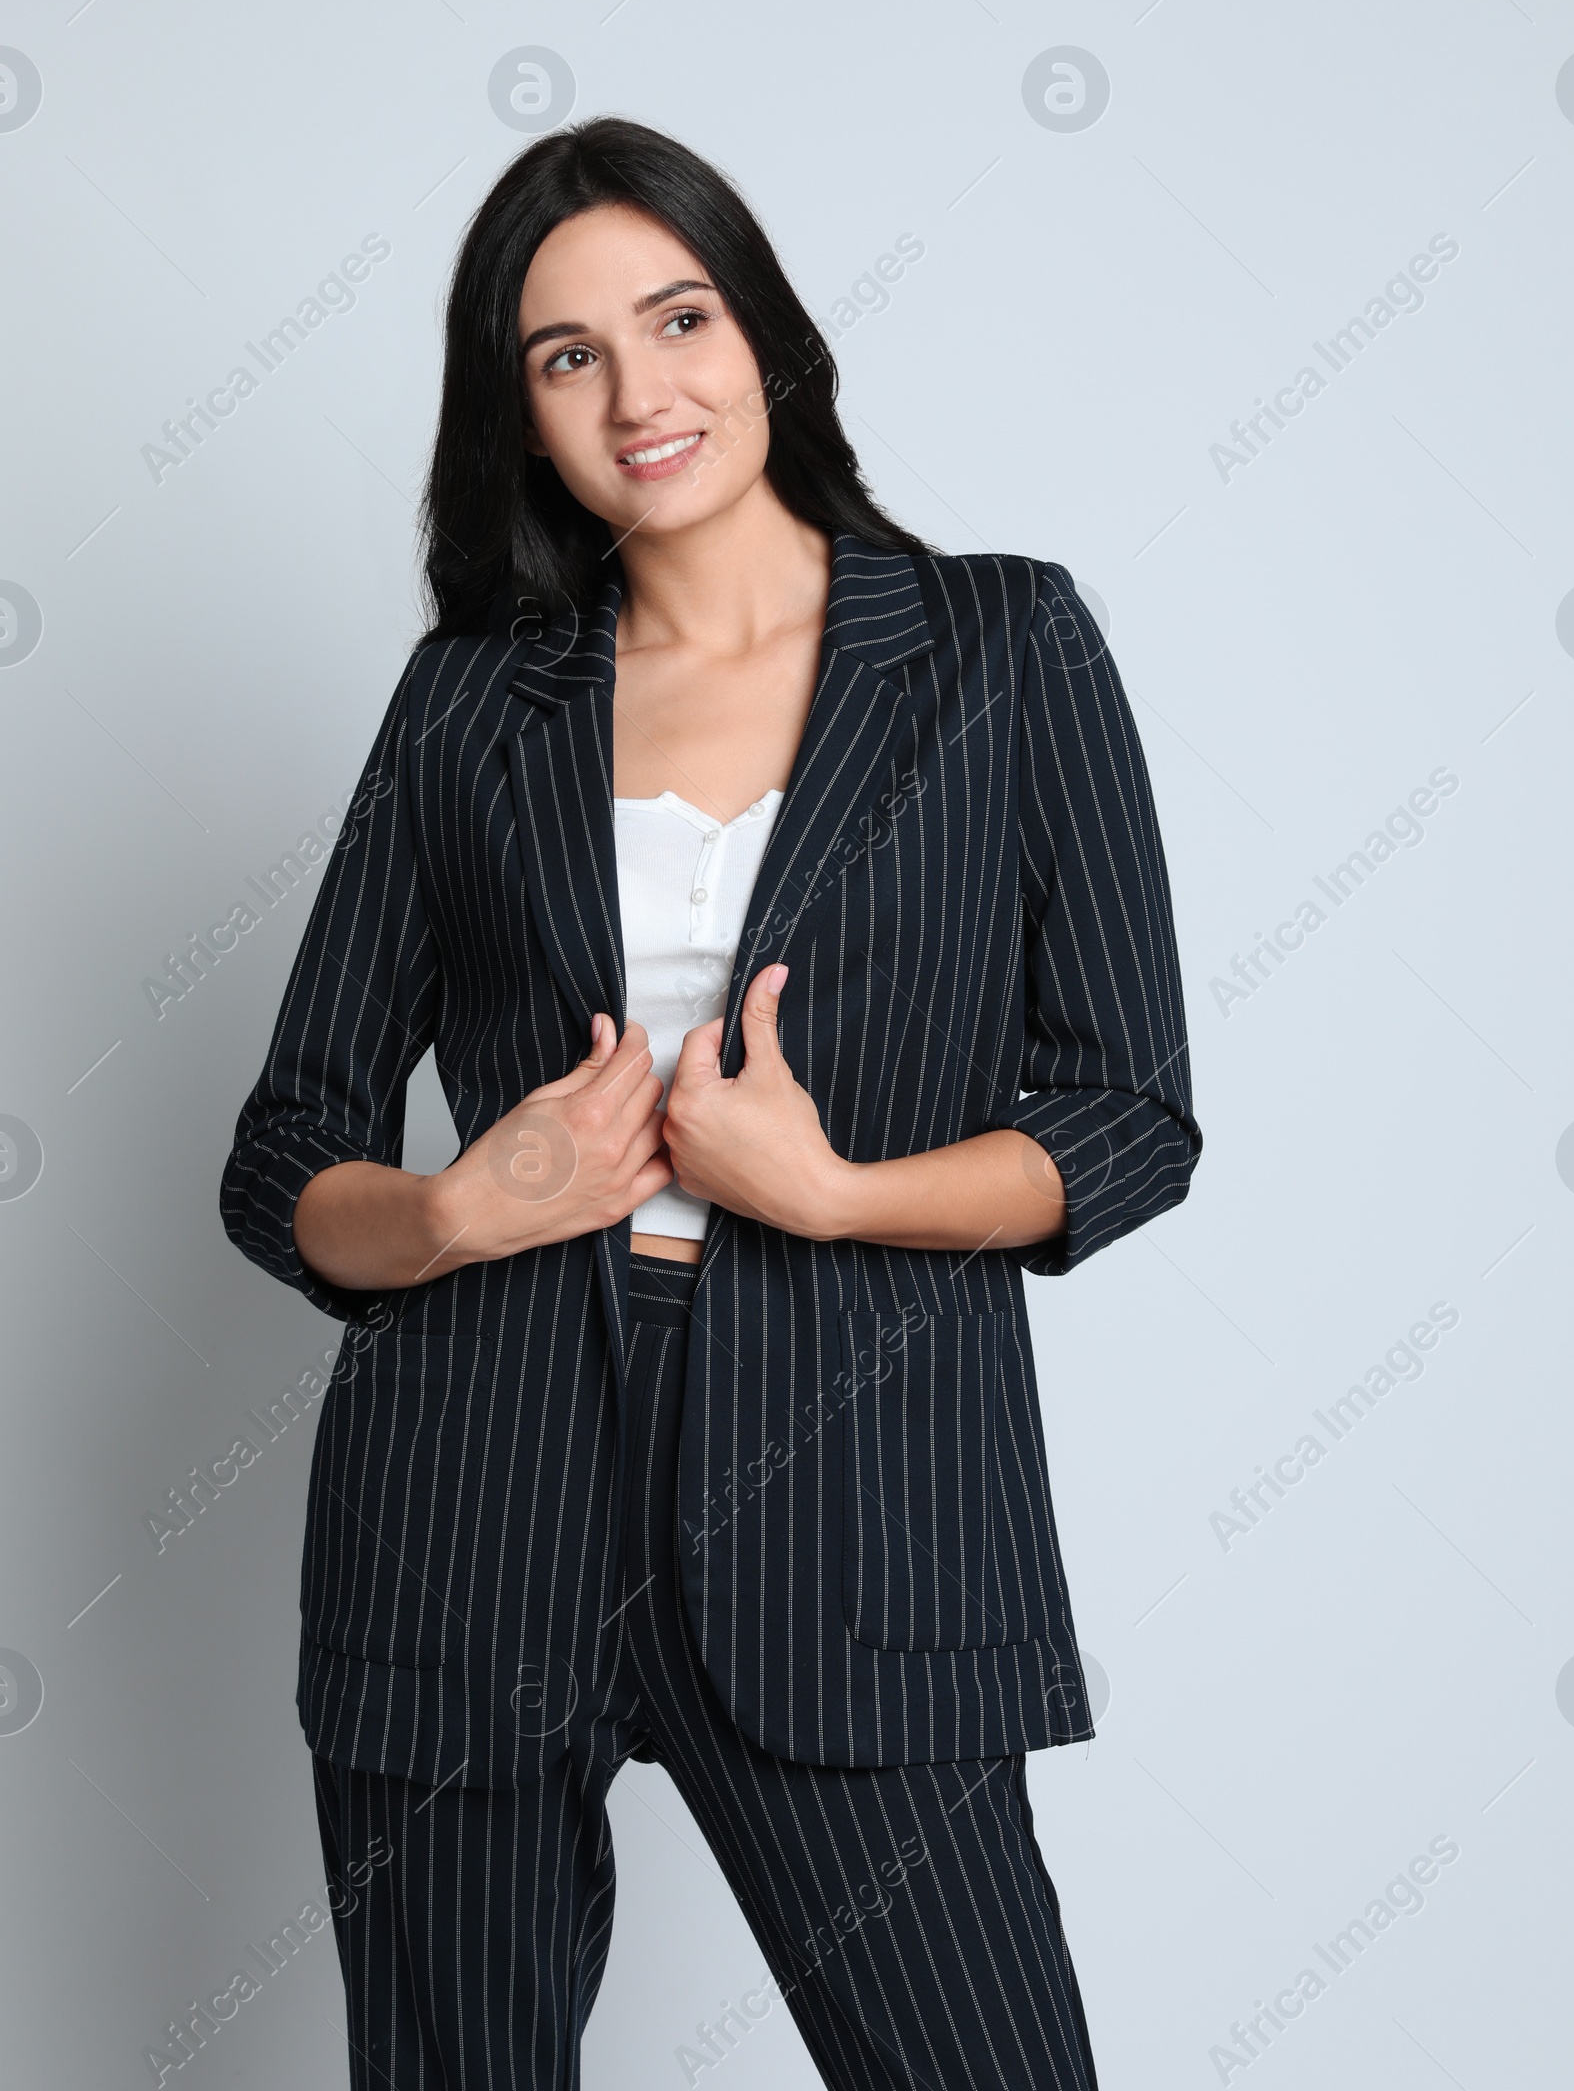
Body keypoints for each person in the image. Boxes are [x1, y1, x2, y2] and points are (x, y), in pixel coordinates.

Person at [219, 115, 1201, 2090]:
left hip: (859, 1506)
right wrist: (447, 1212)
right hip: (469, 1498)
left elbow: (1126, 1114)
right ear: (518, 417)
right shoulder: (467, 704)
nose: (635, 389)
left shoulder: (1003, 647)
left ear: (766, 335)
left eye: (675, 317)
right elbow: (282, 1157)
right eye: (563, 354)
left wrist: (832, 1193)